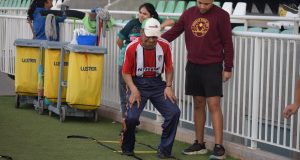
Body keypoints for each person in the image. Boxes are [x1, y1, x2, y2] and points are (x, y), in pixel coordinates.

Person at [161, 0, 234, 159]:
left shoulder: (222, 16)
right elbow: (174, 31)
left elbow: (228, 42)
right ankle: (199, 144)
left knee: (214, 104)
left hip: (213, 65)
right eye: (200, 2)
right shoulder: (188, 13)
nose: (202, 6)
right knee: (198, 103)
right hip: (193, 65)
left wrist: (228, 67)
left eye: (206, 4)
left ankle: (219, 146)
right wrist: (155, 40)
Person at [120, 18, 181, 158]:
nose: (152, 40)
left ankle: (164, 150)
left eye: (155, 36)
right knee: (132, 118)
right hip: (136, 83)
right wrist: (134, 89)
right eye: (148, 36)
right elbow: (125, 72)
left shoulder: (164, 45)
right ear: (141, 33)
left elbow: (169, 67)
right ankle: (127, 145)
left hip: (157, 83)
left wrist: (169, 86)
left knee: (174, 112)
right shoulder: (132, 47)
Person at [117, 3, 171, 121]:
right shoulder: (133, 23)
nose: (141, 15)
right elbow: (120, 40)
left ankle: (132, 119)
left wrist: (158, 28)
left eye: (145, 13)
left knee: (137, 95)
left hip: (143, 70)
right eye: (140, 12)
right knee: (126, 94)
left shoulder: (154, 24)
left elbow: (171, 21)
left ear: (151, 15)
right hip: (126, 62)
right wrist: (126, 52)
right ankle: (126, 121)